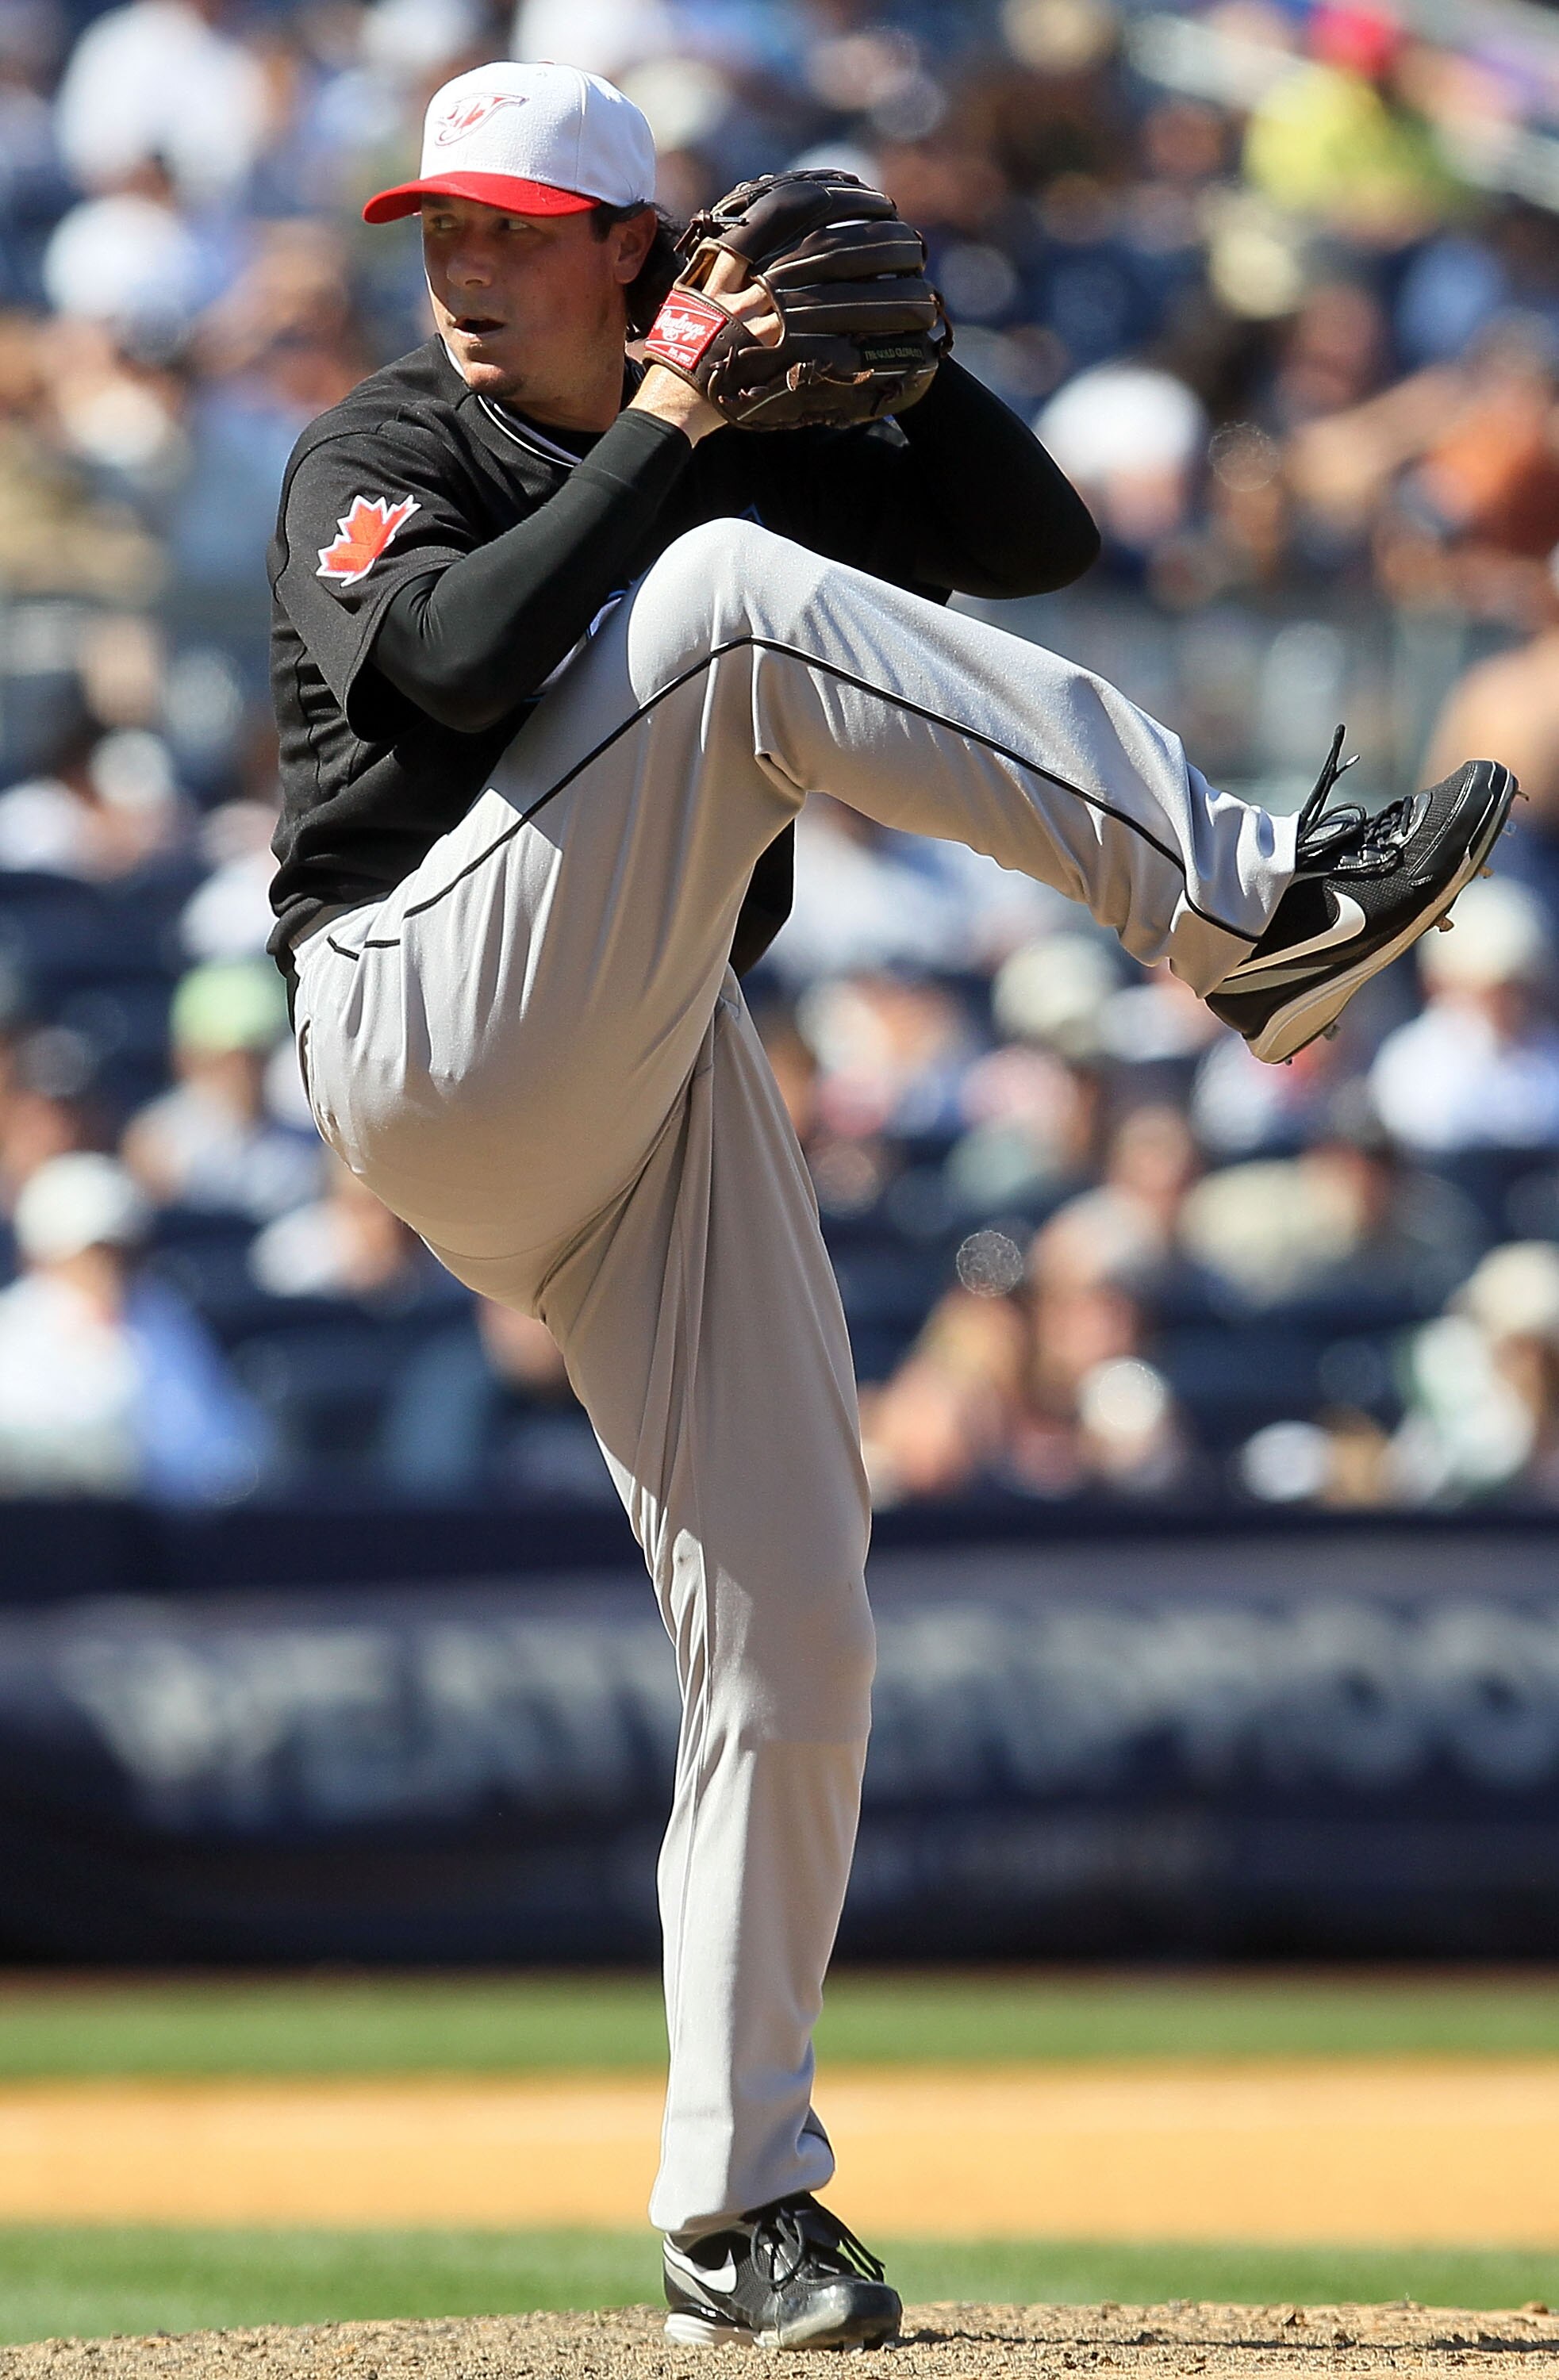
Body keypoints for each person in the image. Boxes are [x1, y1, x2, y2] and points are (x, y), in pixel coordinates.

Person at [267, 60, 1515, 2351]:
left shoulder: (751, 444)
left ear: (633, 249)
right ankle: (1256, 914)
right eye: (440, 226)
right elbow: (445, 663)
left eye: (517, 226)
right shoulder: (389, 449)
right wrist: (662, 426)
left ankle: (734, 2211)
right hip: (421, 1021)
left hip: (645, 1090)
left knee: (796, 1615)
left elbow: (1036, 551)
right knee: (737, 596)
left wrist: (907, 369)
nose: (459, 266)